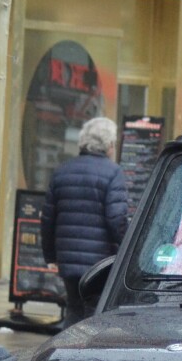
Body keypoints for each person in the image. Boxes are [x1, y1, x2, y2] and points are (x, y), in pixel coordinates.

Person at [41, 117, 128, 327]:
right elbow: (117, 220)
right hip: (99, 263)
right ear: (109, 145)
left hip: (68, 260)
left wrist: (50, 255)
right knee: (95, 315)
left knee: (73, 310)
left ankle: (64, 354)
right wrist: (128, 251)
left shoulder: (62, 171)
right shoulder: (113, 173)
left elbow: (48, 218)